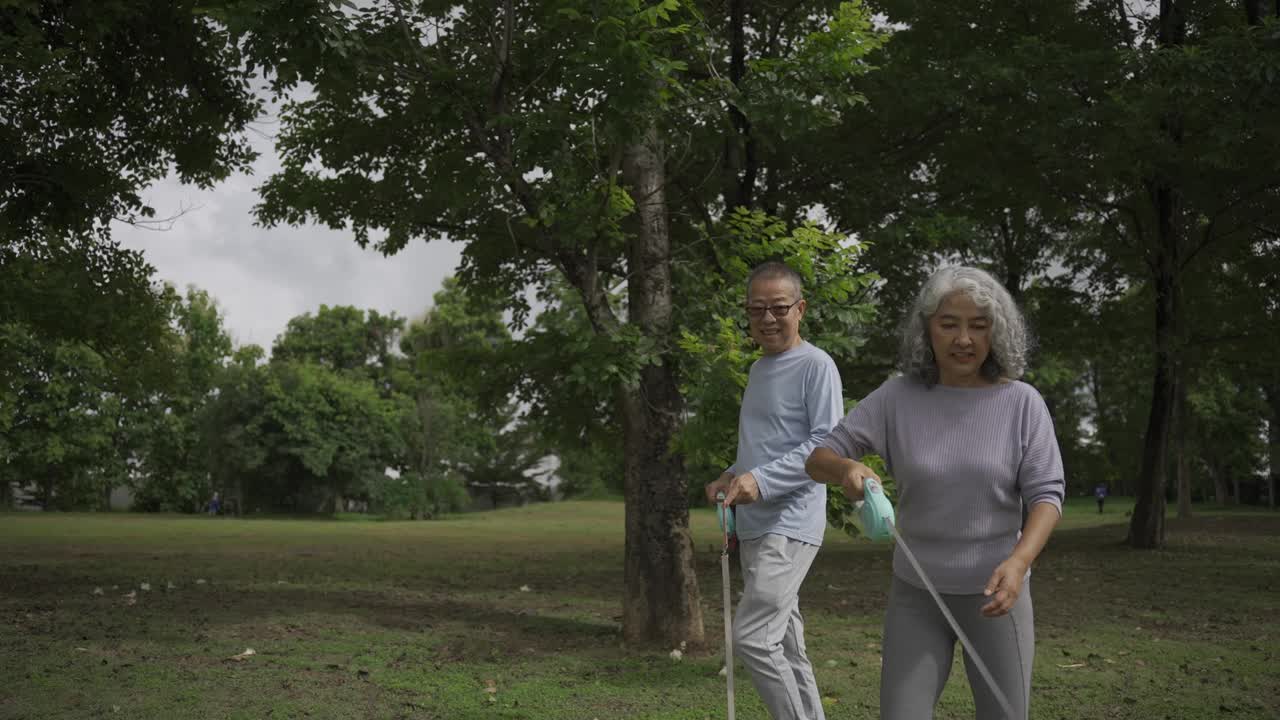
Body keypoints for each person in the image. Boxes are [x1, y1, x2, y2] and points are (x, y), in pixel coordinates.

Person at [805, 266, 1065, 720]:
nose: (963, 339)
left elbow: (1047, 494)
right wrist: (846, 467)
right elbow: (818, 457)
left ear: (995, 333)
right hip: (916, 595)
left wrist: (1020, 561)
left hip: (997, 595)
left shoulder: (1022, 403)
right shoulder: (895, 398)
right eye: (949, 324)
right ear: (927, 329)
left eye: (978, 326)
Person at [705, 260, 844, 720]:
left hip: (792, 522)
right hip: (754, 524)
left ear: (799, 309)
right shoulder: (759, 369)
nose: (767, 318)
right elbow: (764, 446)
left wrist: (759, 481)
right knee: (786, 642)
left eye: (779, 307)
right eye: (756, 309)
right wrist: (732, 474)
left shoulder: (817, 365)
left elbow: (825, 444)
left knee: (752, 639)